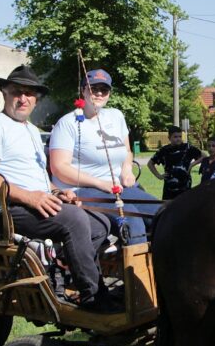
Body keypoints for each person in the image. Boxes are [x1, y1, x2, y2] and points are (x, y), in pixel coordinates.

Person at [0, 65, 118, 312]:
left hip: (34, 202)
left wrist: (58, 192)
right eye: (17, 91)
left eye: (30, 94)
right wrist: (30, 197)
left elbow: (38, 177)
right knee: (75, 221)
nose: (23, 98)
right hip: (5, 210)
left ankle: (61, 273)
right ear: (5, 92)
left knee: (101, 223)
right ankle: (94, 297)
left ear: (36, 100)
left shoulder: (30, 130)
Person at [48, 68, 161, 245]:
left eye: (104, 89)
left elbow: (127, 151)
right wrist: (100, 183)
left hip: (118, 186)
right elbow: (59, 168)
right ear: (83, 90)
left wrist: (126, 170)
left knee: (162, 213)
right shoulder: (67, 123)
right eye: (93, 89)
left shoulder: (116, 116)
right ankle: (132, 271)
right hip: (82, 190)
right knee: (132, 221)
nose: (99, 93)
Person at [148, 126, 203, 199]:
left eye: (180, 136)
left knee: (185, 208)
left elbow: (204, 156)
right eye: (175, 137)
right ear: (169, 138)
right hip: (169, 189)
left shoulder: (187, 148)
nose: (178, 139)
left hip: (185, 188)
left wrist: (191, 165)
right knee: (169, 209)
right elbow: (150, 163)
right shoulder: (164, 150)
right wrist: (159, 176)